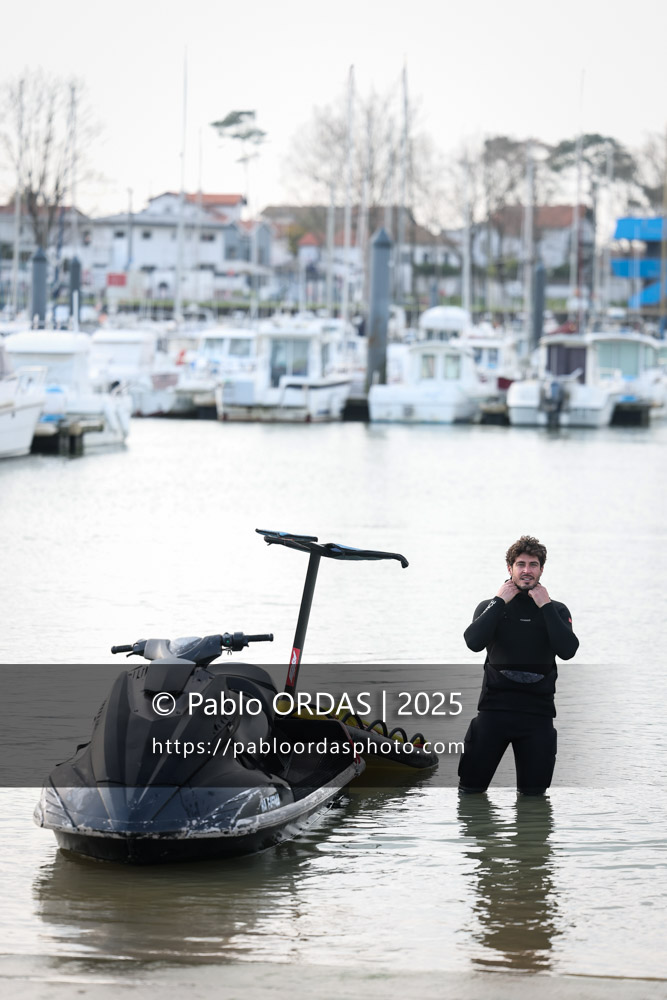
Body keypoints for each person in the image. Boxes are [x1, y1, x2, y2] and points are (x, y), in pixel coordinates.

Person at [458, 535, 578, 795]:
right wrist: (499, 600)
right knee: (470, 792)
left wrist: (544, 604)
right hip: (494, 712)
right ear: (510, 568)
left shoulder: (555, 610)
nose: (526, 570)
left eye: (533, 564)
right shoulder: (491, 607)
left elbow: (568, 650)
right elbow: (473, 642)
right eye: (520, 564)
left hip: (538, 716)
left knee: (534, 799)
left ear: (542, 569)